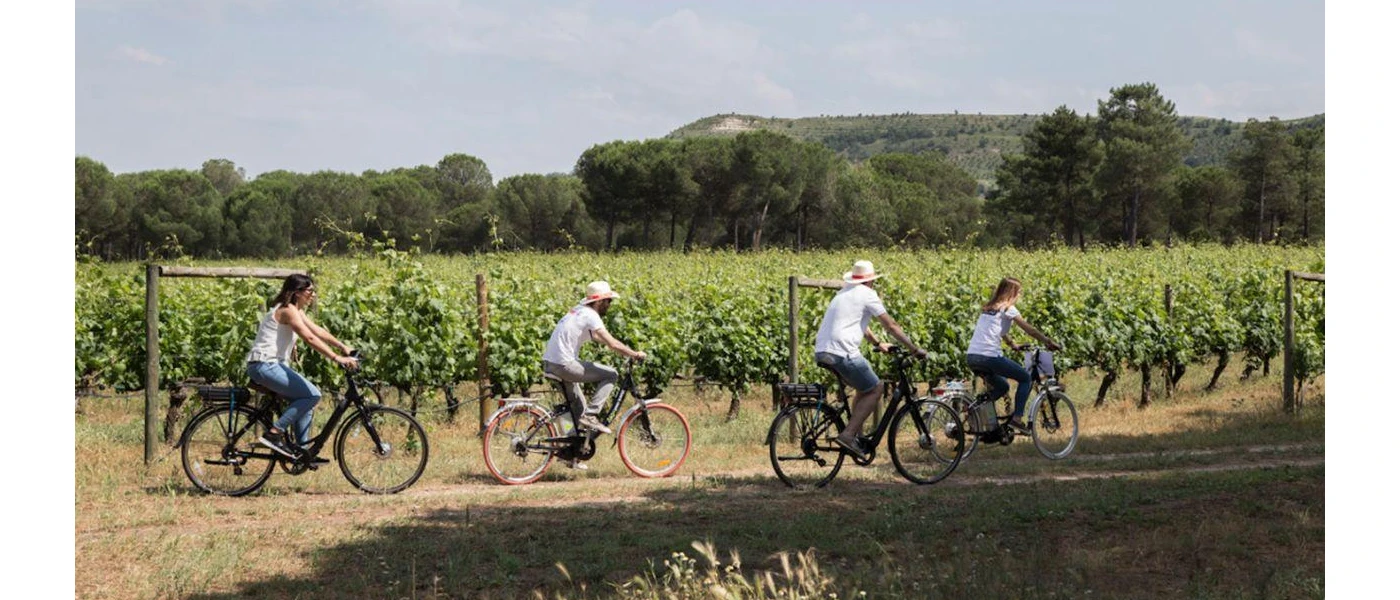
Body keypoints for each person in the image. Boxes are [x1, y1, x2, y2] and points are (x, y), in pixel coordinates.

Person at [815, 260, 927, 456]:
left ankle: (855, 438)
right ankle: (848, 435)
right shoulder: (868, 294)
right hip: (843, 351)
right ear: (870, 281)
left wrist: (877, 344)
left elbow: (859, 324)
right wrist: (913, 348)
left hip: (823, 350)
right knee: (876, 388)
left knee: (863, 387)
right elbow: (890, 325)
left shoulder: (842, 293)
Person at [248, 274, 359, 459]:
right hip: (264, 364)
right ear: (297, 292)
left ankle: (301, 453)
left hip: (271, 365)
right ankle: (274, 433)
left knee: (305, 401)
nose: (313, 295)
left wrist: (343, 347)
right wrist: (336, 357)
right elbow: (309, 338)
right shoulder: (287, 310)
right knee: (312, 395)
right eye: (310, 291)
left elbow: (317, 330)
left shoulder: (296, 311)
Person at [542, 281, 646, 469]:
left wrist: (618, 347)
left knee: (577, 406)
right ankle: (591, 416)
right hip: (565, 365)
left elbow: (598, 338)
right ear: (599, 302)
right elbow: (611, 343)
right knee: (611, 375)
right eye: (608, 301)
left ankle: (569, 452)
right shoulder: (591, 315)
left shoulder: (579, 311)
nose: (609, 306)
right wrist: (634, 353)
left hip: (551, 363)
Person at [965, 277, 1060, 434]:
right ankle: (1017, 419)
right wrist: (1048, 341)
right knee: (1025, 378)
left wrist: (1012, 345)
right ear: (1012, 292)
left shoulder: (988, 308)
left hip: (972, 357)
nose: (1020, 295)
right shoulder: (1008, 308)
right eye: (1019, 292)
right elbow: (1030, 330)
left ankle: (973, 409)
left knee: (1002, 386)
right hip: (989, 357)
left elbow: (999, 331)